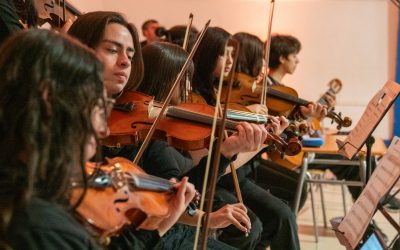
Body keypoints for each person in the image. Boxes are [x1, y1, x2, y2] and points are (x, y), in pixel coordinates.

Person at [68, 12, 268, 249]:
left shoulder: (141, 126)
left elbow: (183, 190)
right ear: (77, 51)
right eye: (112, 50)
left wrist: (224, 152)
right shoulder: (62, 120)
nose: (125, 61)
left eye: (130, 55)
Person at [192, 26, 300, 250]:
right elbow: (213, 159)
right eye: (225, 54)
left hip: (233, 175)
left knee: (282, 215)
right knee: (256, 225)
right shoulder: (197, 98)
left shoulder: (215, 94)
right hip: (218, 177)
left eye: (233, 54)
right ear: (208, 55)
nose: (231, 61)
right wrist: (262, 141)